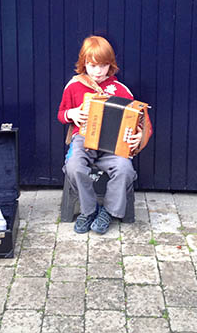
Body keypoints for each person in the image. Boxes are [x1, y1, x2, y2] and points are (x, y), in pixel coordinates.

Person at [58, 36, 143, 234]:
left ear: (110, 66)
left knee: (124, 169)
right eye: (92, 65)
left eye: (103, 66)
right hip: (83, 139)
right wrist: (72, 114)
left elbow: (139, 121)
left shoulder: (121, 90)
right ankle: (89, 211)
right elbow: (61, 114)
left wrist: (139, 136)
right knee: (74, 166)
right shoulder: (74, 86)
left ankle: (108, 211)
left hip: (113, 144)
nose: (98, 71)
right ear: (84, 63)